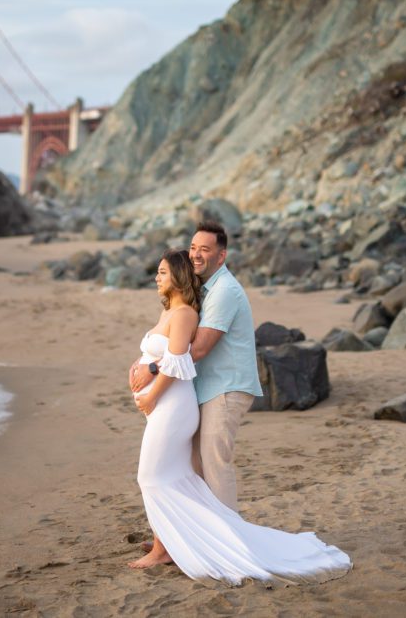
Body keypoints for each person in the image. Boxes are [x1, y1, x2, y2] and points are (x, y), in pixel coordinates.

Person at [127, 248, 351, 584]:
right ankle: (167, 543)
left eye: (162, 272)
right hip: (162, 408)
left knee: (151, 477)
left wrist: (151, 396)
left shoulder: (184, 313)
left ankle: (166, 548)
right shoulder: (167, 312)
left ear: (177, 275)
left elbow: (177, 362)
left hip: (172, 407)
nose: (156, 278)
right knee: (172, 477)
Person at [130, 220, 260, 512]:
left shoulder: (224, 290)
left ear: (221, 255)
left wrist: (150, 370)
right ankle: (203, 533)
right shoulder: (201, 288)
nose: (196, 255)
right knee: (194, 464)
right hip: (205, 387)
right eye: (192, 248)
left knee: (215, 462)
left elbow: (198, 348)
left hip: (226, 388)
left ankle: (230, 539)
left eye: (205, 249)